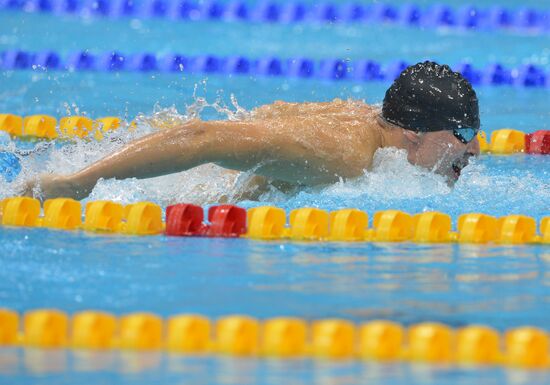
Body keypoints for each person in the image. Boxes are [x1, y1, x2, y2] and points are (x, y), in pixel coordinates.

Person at [24, 61, 480, 201]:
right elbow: (205, 138)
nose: (473, 148)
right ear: (415, 132)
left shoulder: (364, 117)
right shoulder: (344, 155)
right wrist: (75, 183)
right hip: (192, 195)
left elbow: (267, 115)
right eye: (461, 132)